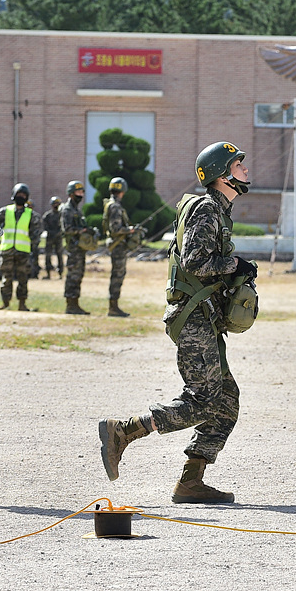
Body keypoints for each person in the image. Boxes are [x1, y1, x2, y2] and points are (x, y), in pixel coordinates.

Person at [98, 141, 255, 504]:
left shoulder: (218, 209)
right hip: (193, 317)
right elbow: (194, 262)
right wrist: (237, 265)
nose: (245, 170)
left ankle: (191, 480)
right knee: (202, 401)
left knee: (226, 401)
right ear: (221, 174)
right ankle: (124, 431)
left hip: (205, 318)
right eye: (238, 165)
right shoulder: (207, 209)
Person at [0, 183, 42, 312]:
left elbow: (36, 233)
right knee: (6, 278)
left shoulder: (32, 215)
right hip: (7, 250)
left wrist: (34, 246)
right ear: (14, 195)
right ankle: (5, 303)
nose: (21, 197)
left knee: (23, 278)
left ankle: (22, 304)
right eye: (19, 194)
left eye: (24, 195)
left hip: (23, 251)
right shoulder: (4, 211)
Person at [103, 177, 139, 317]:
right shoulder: (115, 206)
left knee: (117, 275)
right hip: (118, 246)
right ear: (122, 191)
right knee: (117, 276)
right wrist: (130, 230)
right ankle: (113, 307)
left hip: (117, 246)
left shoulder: (110, 204)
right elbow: (115, 229)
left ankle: (114, 306)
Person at [61, 180, 94, 315]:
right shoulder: (67, 209)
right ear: (71, 194)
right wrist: (83, 231)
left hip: (80, 248)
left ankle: (75, 303)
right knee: (72, 276)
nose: (80, 195)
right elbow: (67, 229)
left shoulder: (77, 210)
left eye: (81, 192)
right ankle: (70, 305)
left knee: (78, 275)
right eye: (77, 192)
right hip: (73, 249)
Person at [42, 196, 64, 279]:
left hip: (58, 238)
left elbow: (63, 226)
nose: (56, 205)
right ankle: (48, 273)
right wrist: (51, 232)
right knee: (48, 255)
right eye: (54, 204)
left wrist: (58, 233)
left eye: (57, 204)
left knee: (59, 255)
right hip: (50, 238)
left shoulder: (62, 215)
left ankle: (60, 273)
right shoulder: (47, 216)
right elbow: (44, 226)